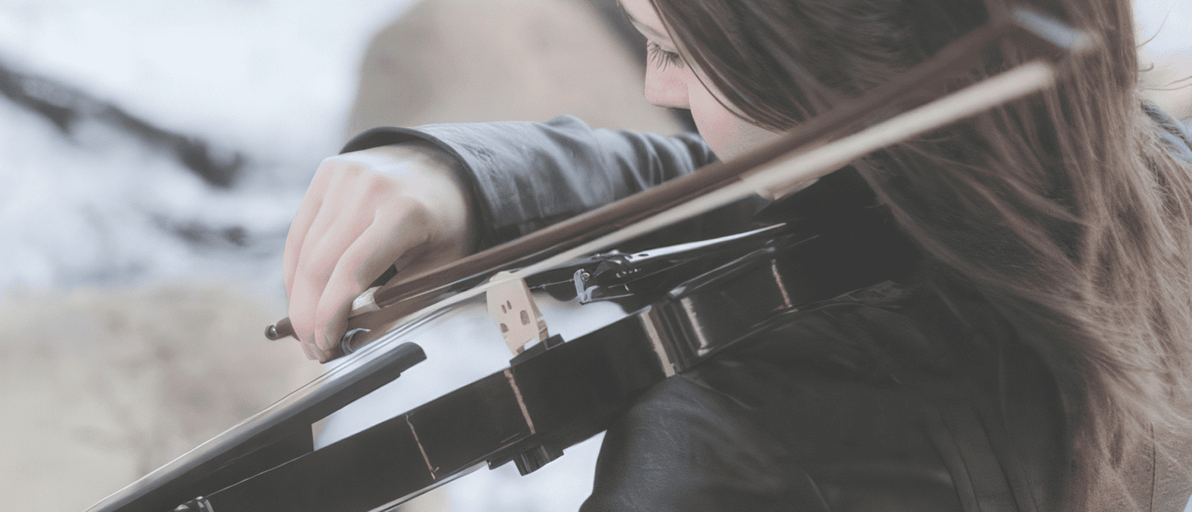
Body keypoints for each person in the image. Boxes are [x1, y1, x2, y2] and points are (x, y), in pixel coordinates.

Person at [280, 0, 1192, 509]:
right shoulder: (1146, 185)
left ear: (829, 64)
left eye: (674, 49)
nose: (652, 86)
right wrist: (472, 184)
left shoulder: (740, 447)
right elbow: (802, 185)